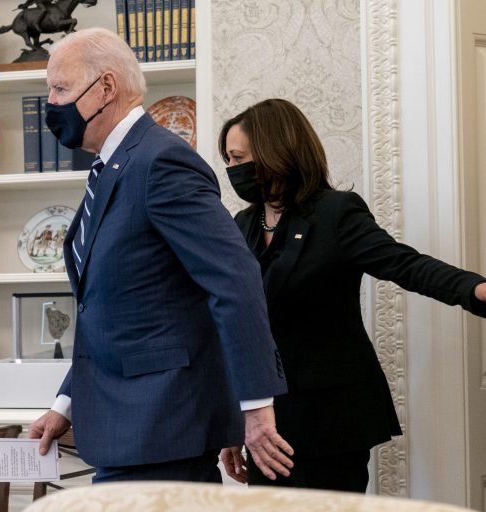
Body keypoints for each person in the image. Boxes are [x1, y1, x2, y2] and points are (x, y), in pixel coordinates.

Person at [218, 98, 486, 493]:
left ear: (274, 150)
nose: (232, 171)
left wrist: (471, 288)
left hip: (331, 417)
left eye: (237, 158)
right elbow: (234, 322)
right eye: (229, 161)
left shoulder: (335, 212)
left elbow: (402, 263)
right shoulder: (243, 223)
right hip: (268, 419)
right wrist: (234, 421)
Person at [28, 28, 294, 484]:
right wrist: (64, 406)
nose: (50, 103)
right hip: (125, 430)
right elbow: (114, 310)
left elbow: (234, 280)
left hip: (163, 428)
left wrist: (255, 407)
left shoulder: (161, 162)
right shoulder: (113, 166)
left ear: (105, 88)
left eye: (60, 88)